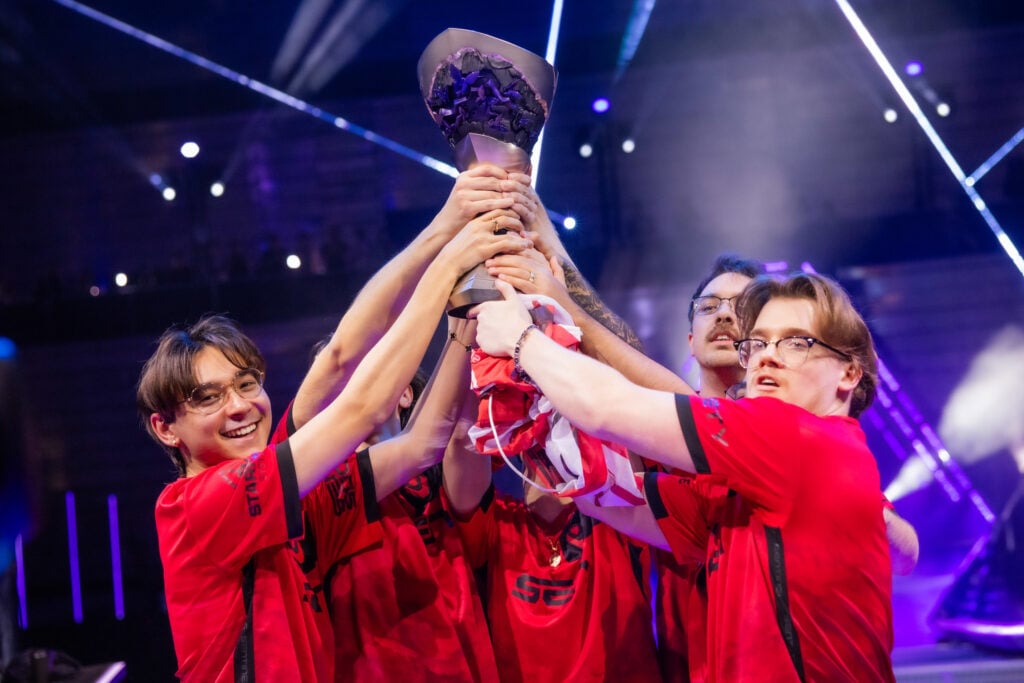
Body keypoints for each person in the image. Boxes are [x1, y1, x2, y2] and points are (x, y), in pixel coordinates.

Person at [136, 199, 530, 681]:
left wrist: (466, 317)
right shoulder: (198, 504)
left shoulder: (289, 498)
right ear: (165, 428)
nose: (239, 406)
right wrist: (448, 260)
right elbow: (359, 399)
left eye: (247, 384)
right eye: (207, 397)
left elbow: (420, 442)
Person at [473, 271, 897, 682]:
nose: (767, 355)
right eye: (759, 342)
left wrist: (522, 340)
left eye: (796, 343)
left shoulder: (795, 436)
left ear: (849, 372)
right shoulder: (751, 492)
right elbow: (605, 498)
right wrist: (538, 408)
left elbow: (606, 407)